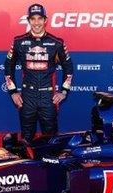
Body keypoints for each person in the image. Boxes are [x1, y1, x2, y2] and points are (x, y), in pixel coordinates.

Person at [4, 3, 73, 142]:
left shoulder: (56, 43)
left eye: (39, 18)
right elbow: (8, 66)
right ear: (28, 20)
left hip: (48, 96)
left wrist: (64, 91)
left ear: (45, 20)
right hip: (27, 96)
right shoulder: (19, 41)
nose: (36, 23)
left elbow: (68, 67)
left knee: (50, 139)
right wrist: (12, 92)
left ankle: (50, 163)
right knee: (26, 138)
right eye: (33, 19)